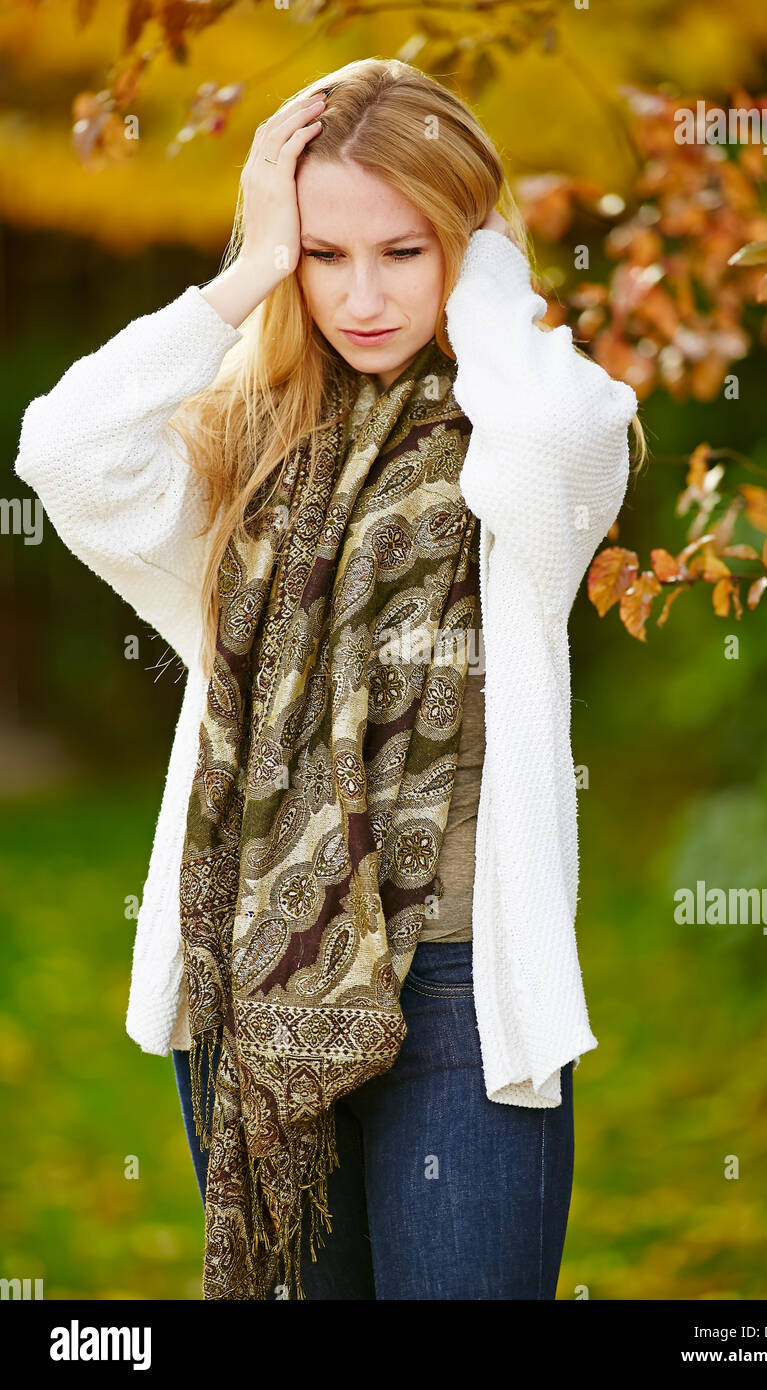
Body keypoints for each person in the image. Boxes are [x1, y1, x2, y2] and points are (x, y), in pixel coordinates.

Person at [13, 56, 645, 1300]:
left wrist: (485, 275)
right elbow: (67, 453)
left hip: (462, 990)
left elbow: (565, 443)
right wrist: (247, 267)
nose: (361, 295)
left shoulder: (516, 433)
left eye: (404, 252)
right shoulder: (240, 445)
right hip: (252, 983)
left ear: (465, 250)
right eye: (324, 253)